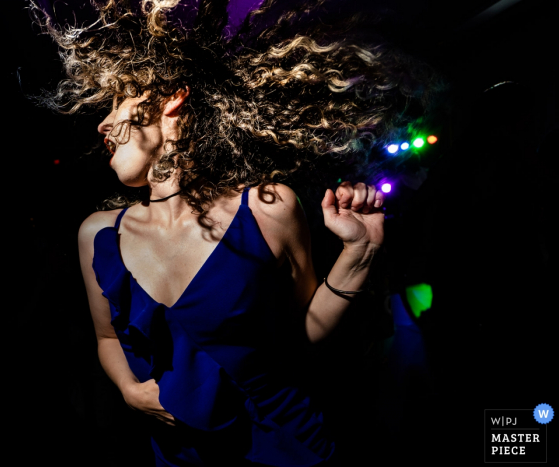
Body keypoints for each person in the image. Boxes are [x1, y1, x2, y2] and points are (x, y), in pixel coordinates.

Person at [32, 1, 441, 464]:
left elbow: (303, 338)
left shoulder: (268, 207)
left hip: (285, 446)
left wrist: (360, 251)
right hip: (180, 457)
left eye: (117, 101)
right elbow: (107, 340)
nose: (103, 124)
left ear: (171, 98)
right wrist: (127, 388)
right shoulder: (99, 235)